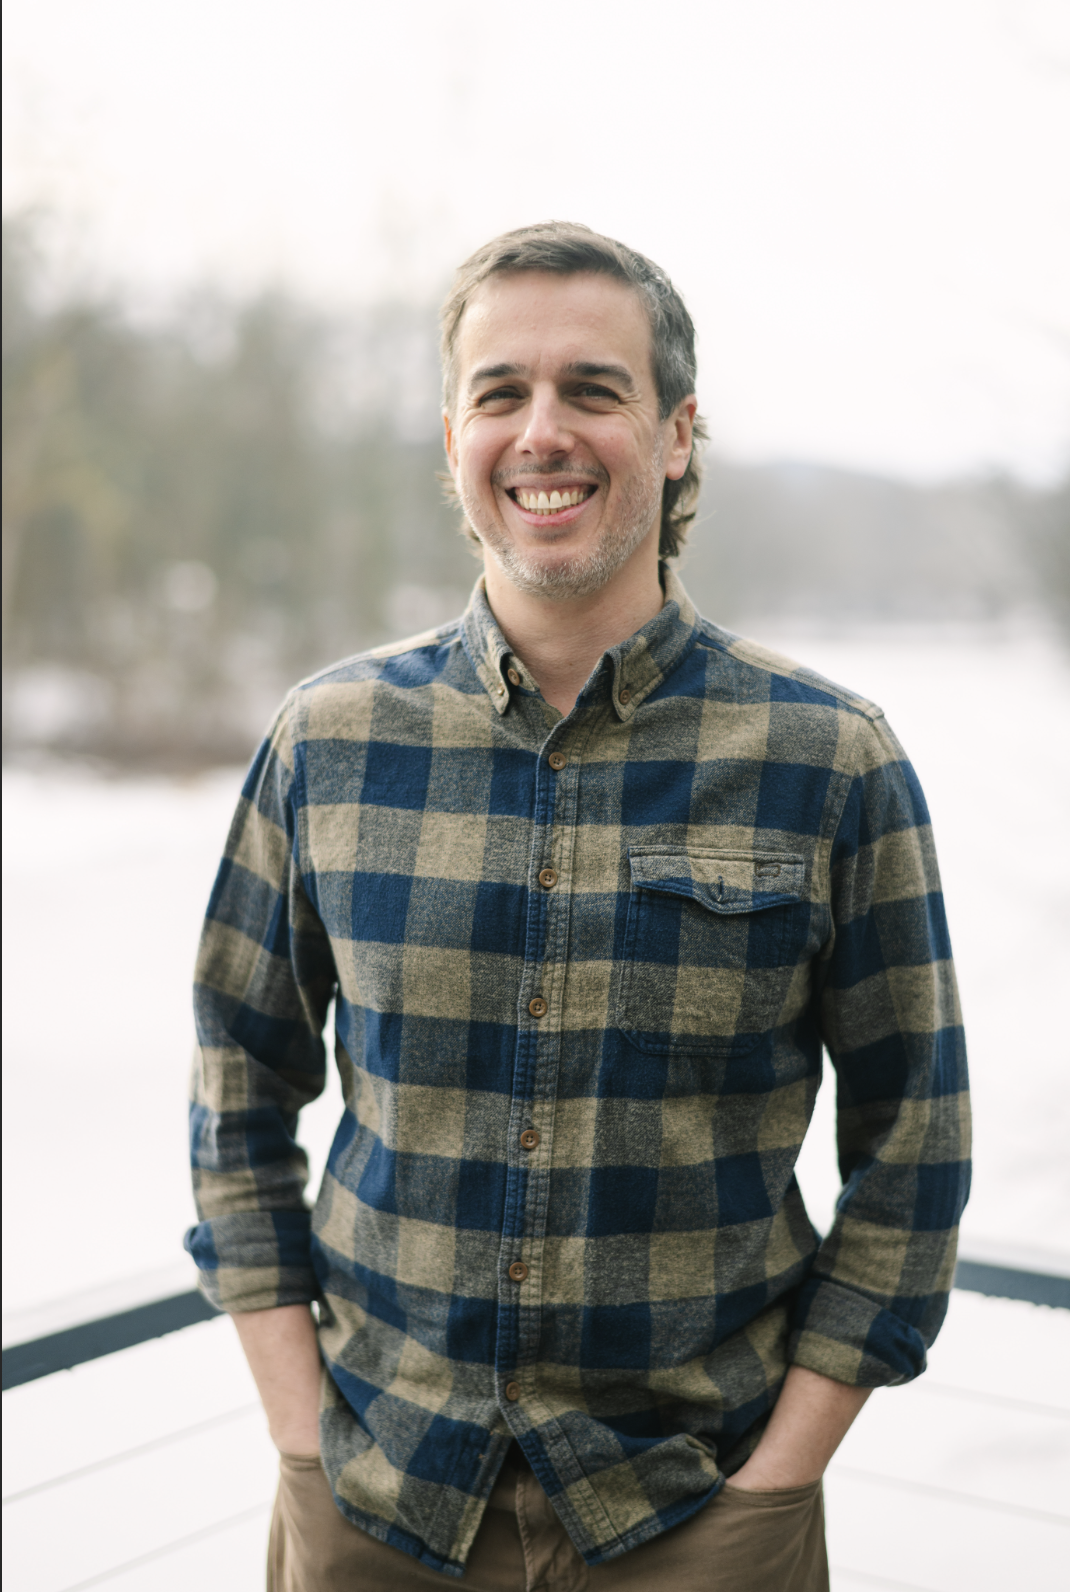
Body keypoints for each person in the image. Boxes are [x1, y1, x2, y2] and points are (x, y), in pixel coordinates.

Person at [186, 222, 970, 1591]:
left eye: (592, 390)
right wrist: (302, 1446)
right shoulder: (328, 743)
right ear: (454, 441)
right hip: (376, 1508)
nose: (541, 431)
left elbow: (914, 1149)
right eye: (501, 393)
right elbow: (235, 1094)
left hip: (700, 1514)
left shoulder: (828, 760)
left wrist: (774, 1488)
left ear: (676, 436)